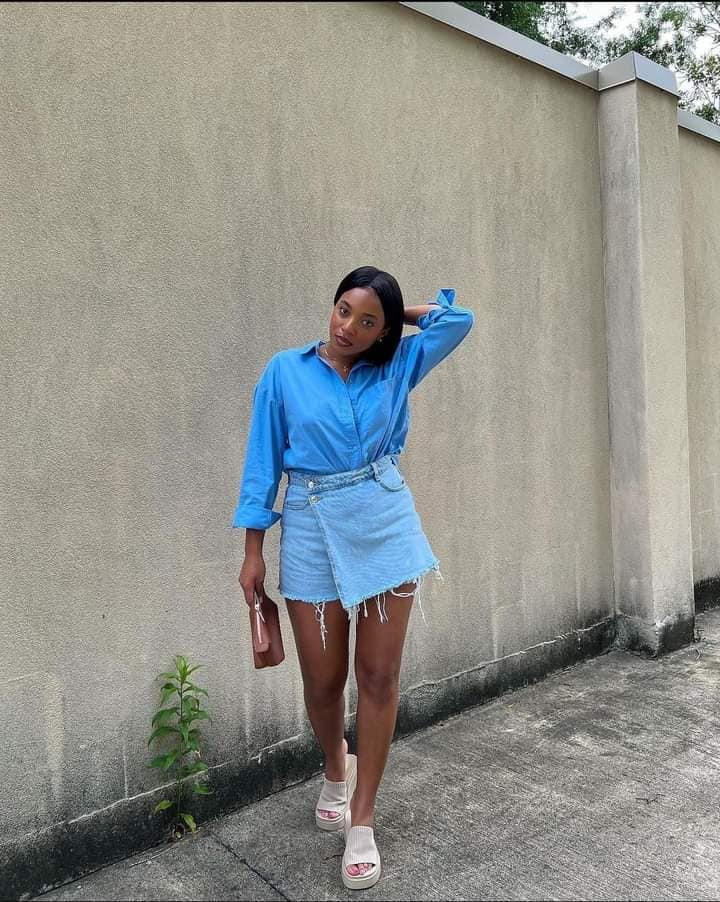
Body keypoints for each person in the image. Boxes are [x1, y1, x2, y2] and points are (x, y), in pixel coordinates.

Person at [233, 266, 474, 890]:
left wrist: (397, 316)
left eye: (368, 322)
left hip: (384, 522)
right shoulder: (284, 372)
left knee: (378, 676)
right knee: (322, 682)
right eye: (344, 310)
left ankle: (362, 819)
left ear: (383, 332)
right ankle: (336, 767)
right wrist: (253, 552)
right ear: (332, 305)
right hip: (310, 527)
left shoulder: (397, 364)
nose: (349, 328)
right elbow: (263, 464)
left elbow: (458, 320)